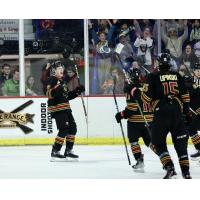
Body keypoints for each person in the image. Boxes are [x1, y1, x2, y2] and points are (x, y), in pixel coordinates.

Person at [130, 52, 192, 178]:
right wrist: (186, 114)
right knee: (181, 146)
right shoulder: (177, 75)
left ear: (158, 62)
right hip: (176, 112)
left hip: (161, 112)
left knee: (158, 143)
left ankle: (170, 168)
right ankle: (186, 173)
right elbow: (185, 97)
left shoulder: (152, 76)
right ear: (169, 63)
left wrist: (135, 91)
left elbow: (146, 99)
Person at [115, 68, 156, 172]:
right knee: (151, 142)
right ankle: (164, 157)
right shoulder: (145, 87)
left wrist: (120, 115)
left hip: (135, 122)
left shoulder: (130, 89)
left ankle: (139, 161)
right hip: (149, 121)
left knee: (134, 141)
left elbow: (132, 109)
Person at [45, 61, 85, 161]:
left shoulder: (62, 82)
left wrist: (77, 91)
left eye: (62, 68)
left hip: (66, 109)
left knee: (73, 128)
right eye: (59, 68)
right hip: (58, 109)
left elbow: (67, 96)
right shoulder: (52, 79)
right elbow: (49, 94)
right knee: (64, 129)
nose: (62, 70)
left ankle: (68, 150)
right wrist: (57, 87)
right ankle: (55, 151)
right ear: (54, 71)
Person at [183, 63, 200, 161]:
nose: (199, 72)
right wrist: (186, 85)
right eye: (197, 70)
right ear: (193, 71)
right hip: (195, 111)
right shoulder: (190, 80)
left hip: (197, 110)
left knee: (191, 129)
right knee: (191, 129)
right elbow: (189, 95)